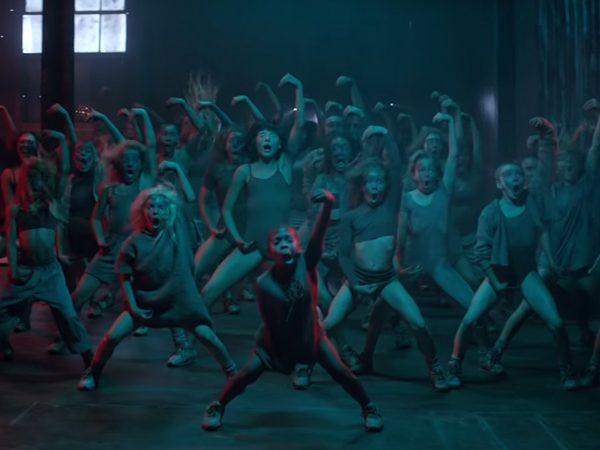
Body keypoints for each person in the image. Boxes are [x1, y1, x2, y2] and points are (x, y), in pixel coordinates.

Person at [201, 189, 383, 432]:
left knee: (342, 373)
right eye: (278, 242)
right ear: (270, 251)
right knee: (245, 375)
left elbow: (317, 237)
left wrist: (328, 205)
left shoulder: (305, 265)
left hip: (311, 336)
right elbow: (272, 324)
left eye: (289, 240)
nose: (284, 244)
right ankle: (217, 405)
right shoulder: (264, 284)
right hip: (275, 342)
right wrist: (283, 359)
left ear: (297, 246)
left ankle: (368, 407)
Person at [77, 183, 237, 390]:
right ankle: (93, 372)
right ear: (142, 211)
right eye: (151, 207)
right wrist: (133, 306)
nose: (155, 211)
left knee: (208, 336)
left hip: (180, 303)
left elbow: (188, 200)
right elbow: (125, 278)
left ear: (169, 211)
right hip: (146, 304)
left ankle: (233, 374)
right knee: (112, 337)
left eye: (161, 207)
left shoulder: (177, 232)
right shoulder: (133, 243)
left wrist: (175, 171)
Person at [447, 162, 579, 390]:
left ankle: (567, 370)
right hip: (498, 272)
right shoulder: (490, 212)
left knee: (556, 322)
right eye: (508, 175)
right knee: (470, 319)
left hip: (526, 271)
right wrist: (495, 282)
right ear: (499, 184)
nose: (515, 178)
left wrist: (552, 261)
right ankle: (454, 365)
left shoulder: (531, 204)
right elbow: (481, 253)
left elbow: (542, 232)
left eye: (518, 174)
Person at [0, 158, 92, 366]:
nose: (35, 186)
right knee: (3, 310)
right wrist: (13, 270)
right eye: (31, 182)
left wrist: (61, 253)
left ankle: (87, 354)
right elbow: (12, 245)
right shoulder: (15, 210)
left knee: (68, 314)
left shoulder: (52, 206)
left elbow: (59, 231)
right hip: (25, 271)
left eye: (39, 181)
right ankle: (3, 342)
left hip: (50, 272)